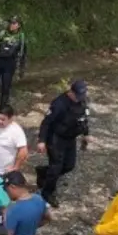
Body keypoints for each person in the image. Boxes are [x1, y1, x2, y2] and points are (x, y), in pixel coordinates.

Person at [35, 79, 90, 208]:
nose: (80, 99)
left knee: (69, 165)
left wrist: (86, 134)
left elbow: (84, 118)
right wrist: (42, 141)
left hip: (70, 138)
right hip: (56, 138)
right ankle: (47, 193)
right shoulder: (59, 104)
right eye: (77, 96)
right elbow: (46, 122)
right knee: (56, 168)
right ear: (71, 92)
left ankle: (43, 172)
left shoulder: (82, 101)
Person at [2, 171, 50, 235]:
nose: (6, 193)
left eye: (6, 190)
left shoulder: (14, 209)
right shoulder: (39, 199)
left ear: (12, 187)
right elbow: (47, 218)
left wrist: (4, 216)